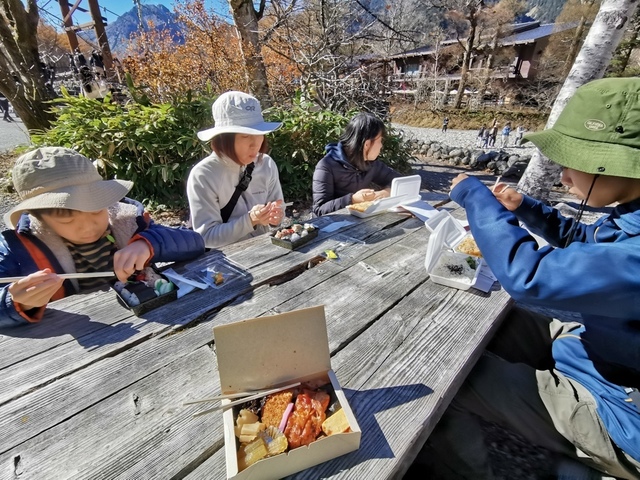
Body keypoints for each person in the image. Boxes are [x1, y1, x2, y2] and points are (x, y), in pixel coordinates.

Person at [417, 77, 640, 479]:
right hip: (595, 347)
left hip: (620, 412)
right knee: (493, 326)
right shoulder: (632, 218)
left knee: (444, 381)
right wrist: (526, 208)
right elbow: (590, 243)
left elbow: (528, 275)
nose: (565, 177)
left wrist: (474, 196)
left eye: (575, 161)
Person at [0, 147, 205, 328]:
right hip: (78, 344)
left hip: (157, 319)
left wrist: (148, 243)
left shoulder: (127, 220)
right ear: (38, 218)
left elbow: (194, 242)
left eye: (96, 210)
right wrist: (15, 301)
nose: (88, 227)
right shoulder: (17, 249)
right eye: (68, 220)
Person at [187, 91, 285, 249]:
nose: (255, 144)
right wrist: (250, 220)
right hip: (225, 263)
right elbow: (206, 237)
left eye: (259, 134)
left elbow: (279, 212)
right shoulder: (203, 175)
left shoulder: (266, 164)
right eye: (245, 136)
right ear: (224, 138)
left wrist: (276, 217)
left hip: (267, 251)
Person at [312, 112, 402, 216]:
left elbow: (400, 181)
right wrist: (352, 199)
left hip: (359, 222)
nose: (381, 146)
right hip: (330, 227)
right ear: (367, 144)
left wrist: (385, 193)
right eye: (380, 140)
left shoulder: (371, 163)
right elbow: (319, 210)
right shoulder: (326, 166)